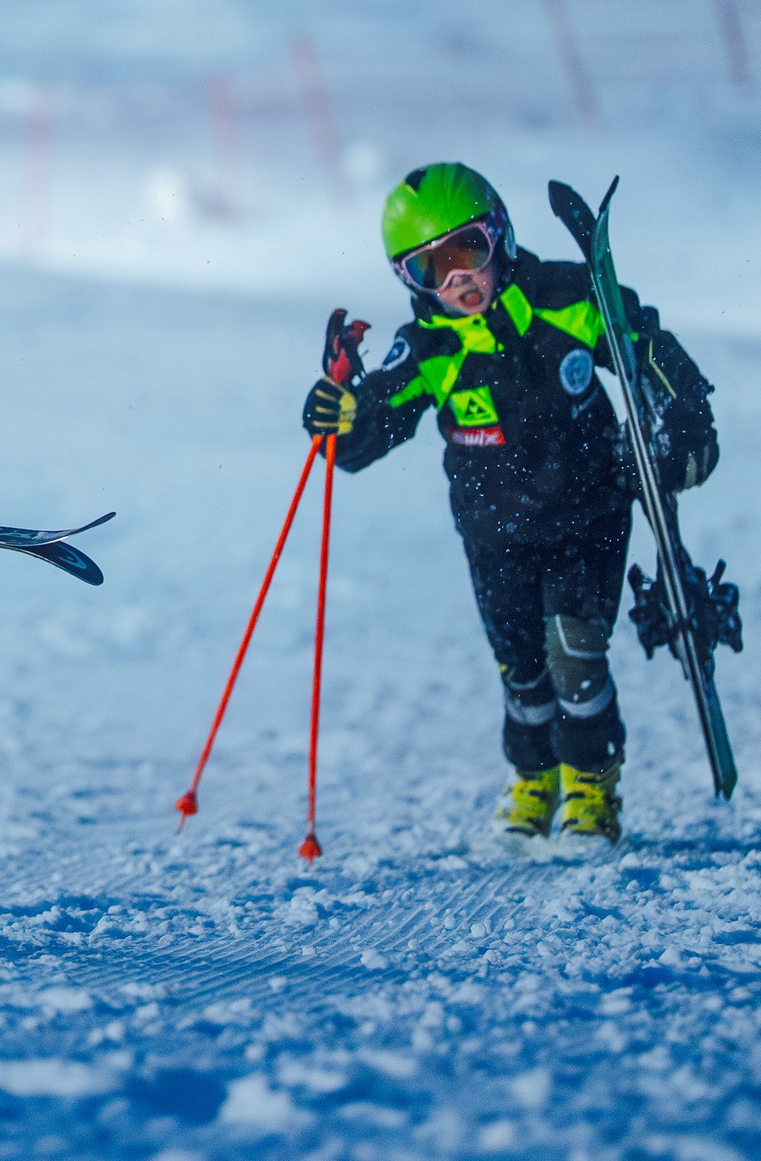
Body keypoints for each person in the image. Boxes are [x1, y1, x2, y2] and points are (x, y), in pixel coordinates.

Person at [300, 164, 717, 841]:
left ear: (500, 235)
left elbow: (647, 344)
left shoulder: (567, 296)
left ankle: (591, 784)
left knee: (574, 657)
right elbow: (378, 417)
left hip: (590, 514)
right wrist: (343, 419)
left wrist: (685, 418)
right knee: (520, 669)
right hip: (493, 532)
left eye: (468, 251)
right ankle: (533, 777)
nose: (456, 277)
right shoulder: (430, 345)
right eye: (429, 268)